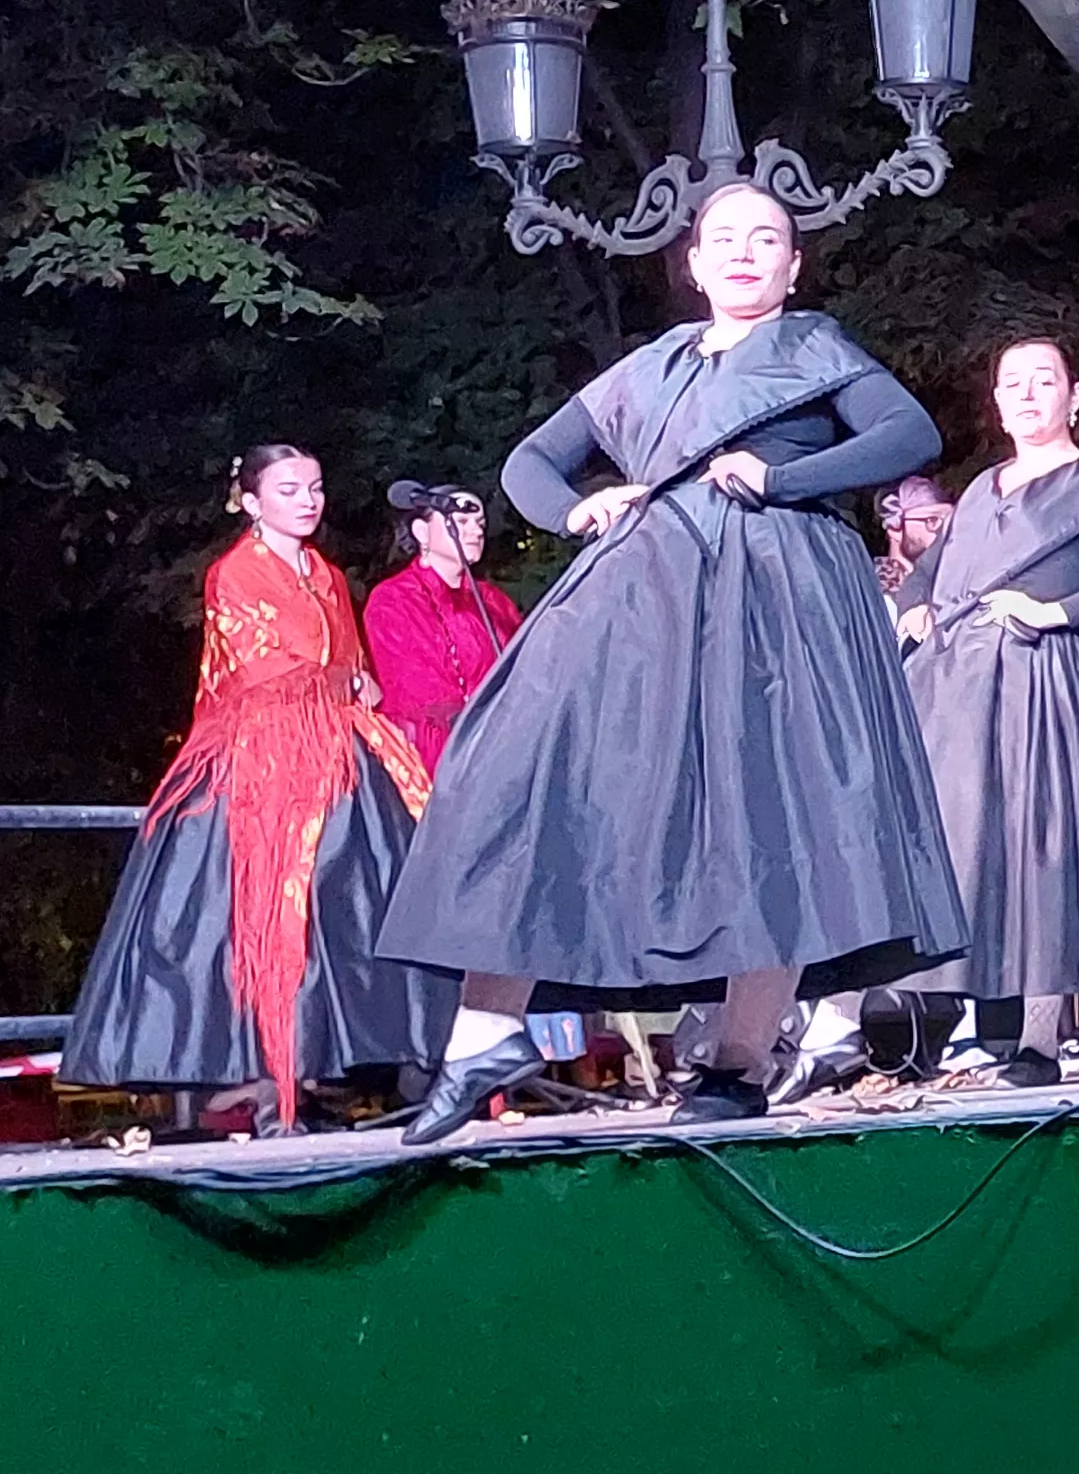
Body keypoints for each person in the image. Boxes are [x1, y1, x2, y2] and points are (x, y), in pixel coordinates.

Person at [381, 181, 963, 1141]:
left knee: (774, 815)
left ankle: (737, 1060)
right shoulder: (653, 364)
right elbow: (535, 460)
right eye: (723, 238)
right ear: (692, 263)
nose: (742, 252)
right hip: (645, 597)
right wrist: (577, 508)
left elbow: (910, 437)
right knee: (531, 768)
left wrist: (784, 478)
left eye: (765, 238)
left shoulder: (812, 346)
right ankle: (487, 1028)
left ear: (792, 265)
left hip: (778, 610)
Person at [61, 447, 449, 1132]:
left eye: (316, 488)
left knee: (347, 902)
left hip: (334, 750)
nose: (308, 500)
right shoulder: (234, 572)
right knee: (253, 911)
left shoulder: (327, 575)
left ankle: (329, 1066)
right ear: (250, 499)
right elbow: (264, 669)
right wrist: (340, 684)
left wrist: (355, 686)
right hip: (261, 759)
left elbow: (351, 665)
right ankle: (263, 1078)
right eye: (290, 489)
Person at [885, 337, 1079, 1088]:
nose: (1026, 396)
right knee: (965, 851)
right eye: (1012, 384)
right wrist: (910, 612)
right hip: (960, 696)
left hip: (1045, 689)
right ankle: (940, 1026)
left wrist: (1056, 611)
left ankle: (1038, 1040)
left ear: (1074, 397)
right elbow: (924, 576)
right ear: (996, 401)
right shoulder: (984, 491)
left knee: (1044, 855)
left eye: (1043, 381)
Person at [362, 480, 520, 759]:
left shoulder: (493, 600)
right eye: (461, 521)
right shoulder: (392, 600)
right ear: (422, 532)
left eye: (480, 524)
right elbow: (418, 691)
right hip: (433, 755)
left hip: (500, 743)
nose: (475, 531)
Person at [875, 473, 955, 599]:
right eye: (932, 520)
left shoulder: (955, 572)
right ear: (895, 529)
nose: (944, 530)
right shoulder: (874, 584)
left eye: (949, 520)